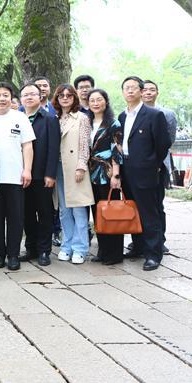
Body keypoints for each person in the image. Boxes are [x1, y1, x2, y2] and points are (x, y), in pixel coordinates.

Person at [119, 76, 172, 271]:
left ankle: (153, 254)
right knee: (133, 210)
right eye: (126, 88)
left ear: (141, 91)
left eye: (133, 88)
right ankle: (138, 246)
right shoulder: (122, 116)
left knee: (149, 212)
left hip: (146, 170)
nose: (130, 91)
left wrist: (153, 163)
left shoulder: (154, 115)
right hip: (126, 169)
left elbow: (163, 143)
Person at [0, 82, 35, 270]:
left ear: (11, 98)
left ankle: (13, 254)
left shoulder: (20, 117)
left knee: (16, 218)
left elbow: (27, 145)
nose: (2, 98)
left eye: (5, 95)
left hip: (15, 176)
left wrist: (27, 169)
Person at [52, 84, 95, 265]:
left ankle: (80, 248)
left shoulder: (81, 118)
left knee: (78, 208)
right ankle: (66, 245)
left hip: (75, 168)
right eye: (61, 95)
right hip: (58, 168)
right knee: (64, 210)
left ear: (74, 98)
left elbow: (85, 144)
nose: (65, 98)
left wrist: (81, 166)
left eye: (69, 95)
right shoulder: (54, 118)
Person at [18, 83, 59, 267]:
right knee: (26, 214)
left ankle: (44, 250)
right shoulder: (17, 117)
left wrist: (50, 174)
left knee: (44, 213)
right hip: (21, 175)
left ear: (40, 96)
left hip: (42, 175)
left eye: (32, 94)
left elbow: (53, 148)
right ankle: (31, 248)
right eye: (25, 95)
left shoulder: (49, 118)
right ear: (21, 98)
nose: (29, 97)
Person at [86, 89, 124, 265]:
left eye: (99, 99)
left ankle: (114, 254)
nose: (95, 103)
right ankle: (102, 250)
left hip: (108, 173)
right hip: (91, 174)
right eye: (92, 100)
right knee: (98, 213)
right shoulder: (87, 122)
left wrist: (116, 175)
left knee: (111, 213)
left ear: (106, 102)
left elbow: (117, 150)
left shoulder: (113, 123)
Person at [142, 79, 177, 250]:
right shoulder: (131, 113)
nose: (148, 92)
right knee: (140, 204)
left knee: (157, 203)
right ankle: (140, 241)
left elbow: (169, 140)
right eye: (145, 89)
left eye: (152, 89)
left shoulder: (167, 113)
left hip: (158, 165)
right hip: (137, 165)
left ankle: (159, 240)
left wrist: (155, 160)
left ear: (157, 93)